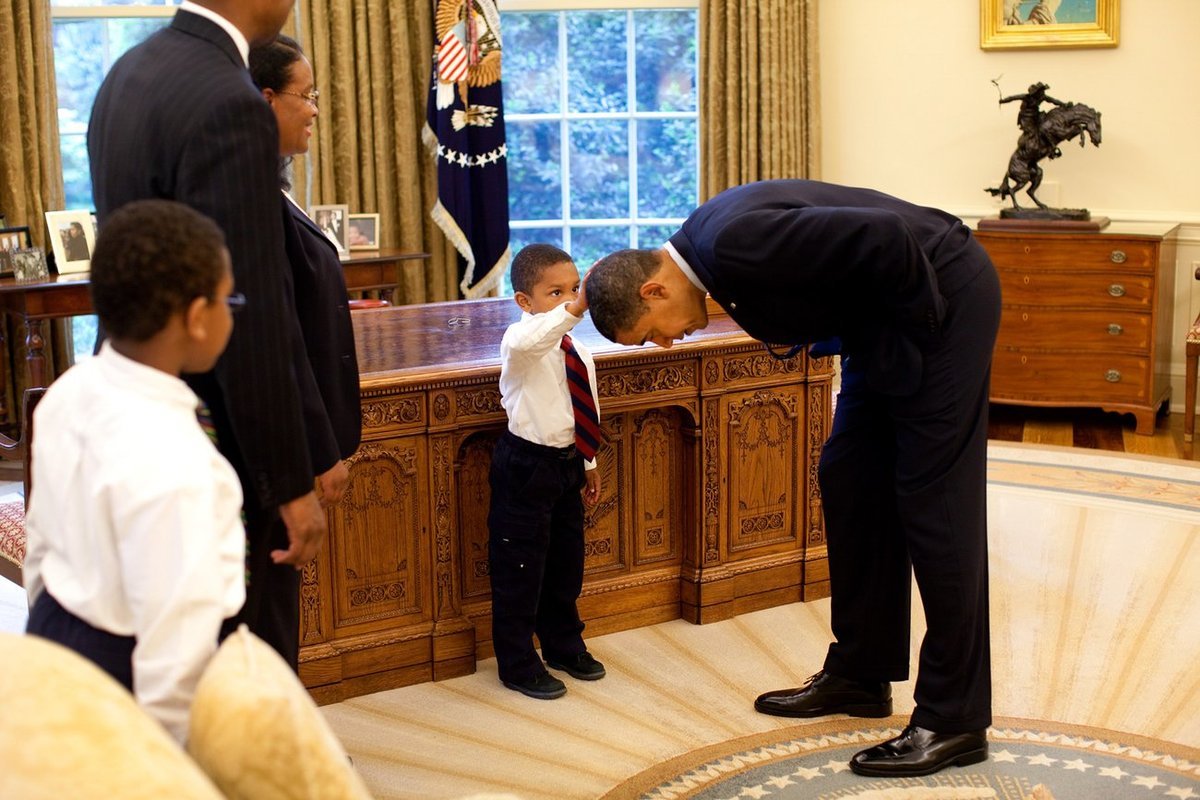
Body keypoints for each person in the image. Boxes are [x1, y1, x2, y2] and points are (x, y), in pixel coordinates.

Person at [586, 179, 1001, 777]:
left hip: (941, 302)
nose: (665, 341)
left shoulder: (732, 243)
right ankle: (861, 673)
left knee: (937, 505)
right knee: (850, 478)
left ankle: (955, 720)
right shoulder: (710, 250)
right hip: (887, 322)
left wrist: (921, 339)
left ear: (653, 289)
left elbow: (888, 236)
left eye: (651, 331)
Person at [87, 0, 328, 670]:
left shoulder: (128, 72)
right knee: (245, 667)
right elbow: (248, 309)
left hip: (137, 412)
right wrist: (288, 481)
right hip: (217, 441)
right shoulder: (229, 99)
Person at [23, 199, 245, 745]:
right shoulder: (180, 462)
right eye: (228, 299)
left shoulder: (68, 392)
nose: (231, 313)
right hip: (130, 671)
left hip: (55, 630)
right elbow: (176, 646)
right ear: (196, 318)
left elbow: (40, 547)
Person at [489, 244, 605, 700]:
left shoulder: (576, 349)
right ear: (525, 301)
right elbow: (532, 339)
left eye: (573, 289)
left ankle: (563, 644)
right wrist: (576, 308)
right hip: (525, 466)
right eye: (554, 292)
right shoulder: (519, 344)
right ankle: (517, 662)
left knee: (565, 562)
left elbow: (585, 405)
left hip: (567, 465)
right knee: (520, 567)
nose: (567, 299)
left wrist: (589, 462)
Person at [249, 36, 360, 510]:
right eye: (307, 94)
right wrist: (319, 450)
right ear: (267, 98)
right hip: (289, 451)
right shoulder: (252, 200)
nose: (315, 110)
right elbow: (279, 337)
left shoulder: (273, 184)